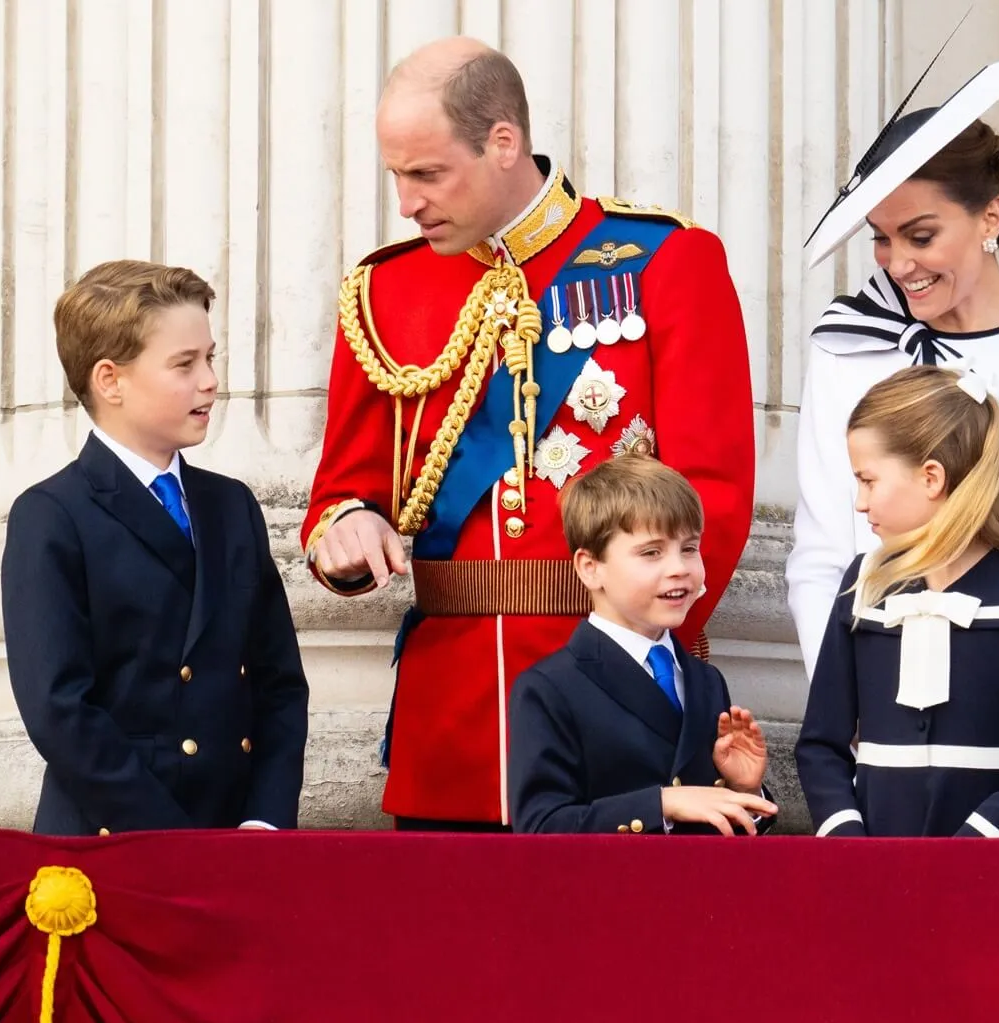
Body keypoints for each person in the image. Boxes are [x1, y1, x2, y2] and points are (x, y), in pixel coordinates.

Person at [302, 38, 754, 830]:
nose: (407, 202)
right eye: (397, 176)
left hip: (614, 708)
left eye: (428, 173)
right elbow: (343, 488)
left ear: (503, 142)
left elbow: (712, 494)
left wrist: (634, 666)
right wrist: (347, 524)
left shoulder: (665, 260)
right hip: (452, 724)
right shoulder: (384, 292)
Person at [788, 50, 999, 834]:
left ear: (989, 218)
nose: (898, 264)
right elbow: (818, 557)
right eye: (880, 239)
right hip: (878, 761)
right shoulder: (846, 351)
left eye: (920, 234)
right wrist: (854, 696)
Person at [1, 260, 309, 835]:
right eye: (184, 364)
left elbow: (279, 684)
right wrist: (171, 843)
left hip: (237, 842)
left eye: (210, 357)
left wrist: (264, 823)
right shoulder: (52, 515)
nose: (210, 380)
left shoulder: (231, 505)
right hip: (116, 844)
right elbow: (60, 709)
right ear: (110, 380)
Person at [795, 365, 999, 837]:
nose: (859, 501)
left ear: (931, 477)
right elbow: (819, 744)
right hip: (874, 866)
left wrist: (978, 843)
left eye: (868, 480)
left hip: (992, 874)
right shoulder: (864, 581)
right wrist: (845, 841)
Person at [508, 455, 778, 835]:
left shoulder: (706, 680)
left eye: (688, 548)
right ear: (590, 567)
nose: (679, 567)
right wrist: (662, 803)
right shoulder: (549, 687)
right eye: (652, 552)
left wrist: (743, 788)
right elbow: (541, 826)